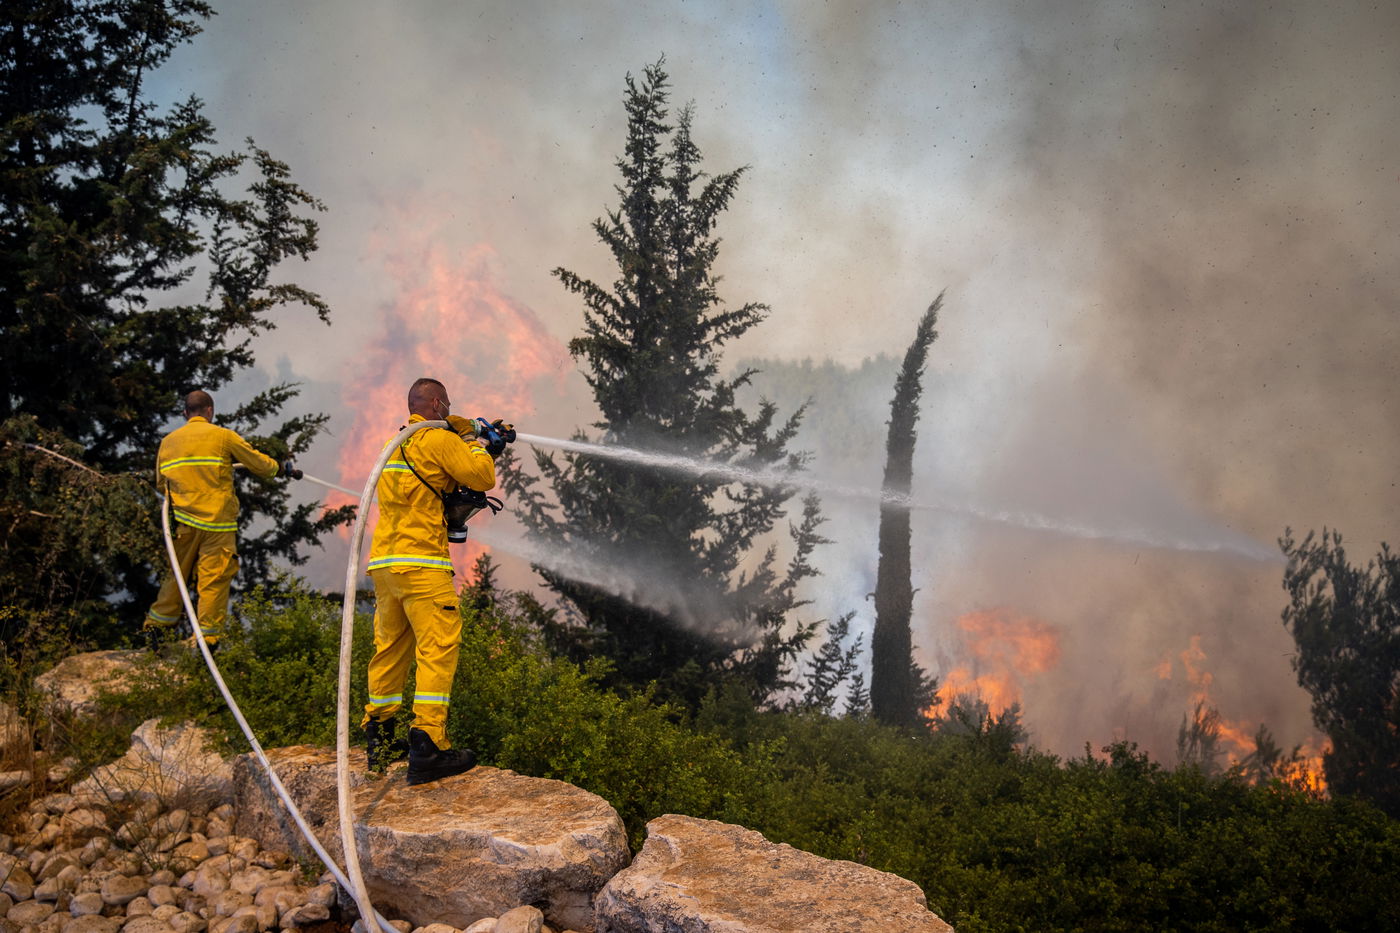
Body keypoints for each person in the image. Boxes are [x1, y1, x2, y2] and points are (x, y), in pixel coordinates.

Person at [361, 377, 502, 786]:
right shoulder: (437, 439)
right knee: (438, 648)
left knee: (390, 649)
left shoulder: (395, 443)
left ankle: (380, 739)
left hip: (386, 565)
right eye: (448, 405)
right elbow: (481, 477)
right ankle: (428, 745)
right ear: (437, 404)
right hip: (422, 564)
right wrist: (475, 441)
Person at [145, 390, 300, 648]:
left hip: (181, 523)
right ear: (209, 411)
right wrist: (280, 469)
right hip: (216, 524)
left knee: (176, 574)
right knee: (213, 580)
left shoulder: (168, 443)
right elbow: (258, 463)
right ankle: (207, 641)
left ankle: (156, 630)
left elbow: (162, 484)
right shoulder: (223, 436)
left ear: (185, 413)